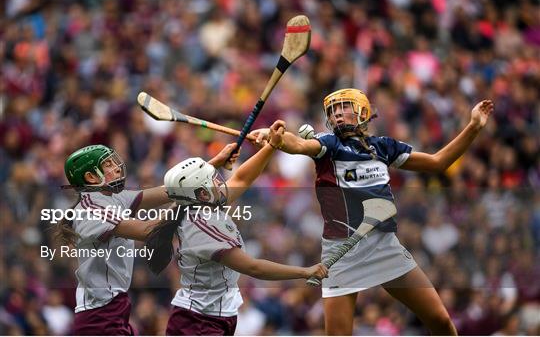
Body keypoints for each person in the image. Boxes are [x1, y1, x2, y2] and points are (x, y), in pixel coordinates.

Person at [250, 88, 494, 335]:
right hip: (342, 253)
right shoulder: (329, 145)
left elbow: (438, 162)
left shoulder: (384, 147)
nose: (337, 115)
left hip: (384, 246)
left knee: (440, 320)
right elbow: (300, 144)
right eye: (332, 112)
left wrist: (473, 126)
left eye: (343, 108)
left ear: (363, 112)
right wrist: (278, 140)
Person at [145, 120, 328, 336]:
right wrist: (304, 272)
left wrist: (272, 146)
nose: (221, 180)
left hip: (211, 317)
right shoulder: (203, 229)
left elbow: (242, 178)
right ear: (202, 194)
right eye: (213, 179)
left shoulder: (196, 204)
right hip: (198, 324)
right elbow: (253, 268)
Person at [56, 143, 238, 335]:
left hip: (112, 309)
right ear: (91, 177)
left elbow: (170, 189)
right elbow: (149, 230)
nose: (116, 167)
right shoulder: (92, 209)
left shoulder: (110, 198)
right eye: (108, 165)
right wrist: (188, 201)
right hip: (99, 317)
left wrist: (211, 166)